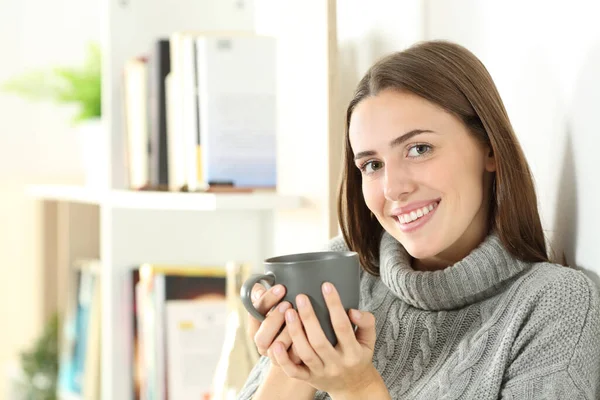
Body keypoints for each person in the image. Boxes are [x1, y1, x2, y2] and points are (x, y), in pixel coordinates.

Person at [237, 40, 600, 400]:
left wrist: (357, 389)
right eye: (372, 165)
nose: (393, 188)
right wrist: (291, 364)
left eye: (419, 149)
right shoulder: (347, 270)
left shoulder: (554, 304)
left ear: (489, 148)